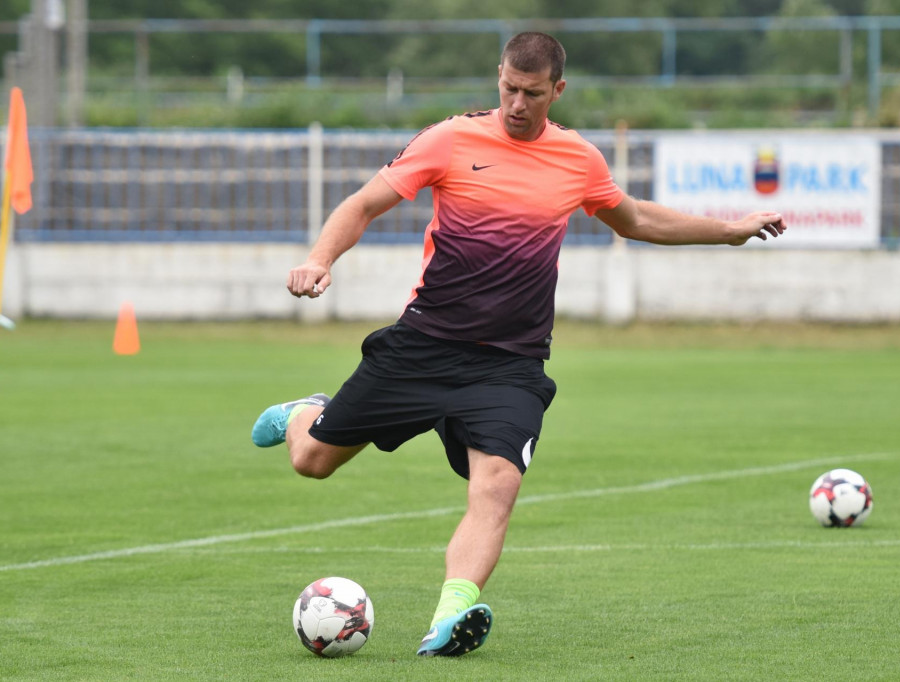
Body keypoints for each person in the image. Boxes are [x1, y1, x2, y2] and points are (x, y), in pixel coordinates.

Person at [251, 31, 787, 657]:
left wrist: (729, 232)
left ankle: (453, 612)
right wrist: (319, 259)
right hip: (424, 345)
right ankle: (305, 414)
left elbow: (635, 219)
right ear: (497, 78)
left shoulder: (578, 160)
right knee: (311, 461)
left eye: (532, 93)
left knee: (497, 482)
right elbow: (365, 203)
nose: (516, 104)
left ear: (557, 91)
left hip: (510, 365)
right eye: (508, 88)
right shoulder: (450, 139)